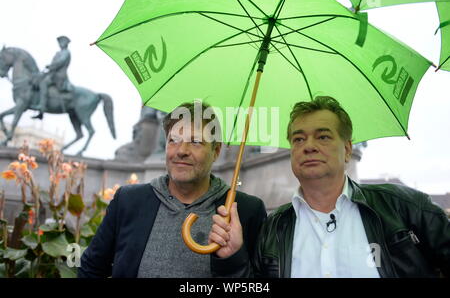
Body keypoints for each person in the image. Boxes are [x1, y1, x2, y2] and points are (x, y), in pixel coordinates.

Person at [210, 96, 450, 278]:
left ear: (347, 149)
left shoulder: (405, 208)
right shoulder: (273, 228)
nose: (309, 146)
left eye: (323, 137)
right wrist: (233, 258)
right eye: (299, 139)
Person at [78, 101, 266, 278]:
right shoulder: (129, 201)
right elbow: (91, 268)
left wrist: (234, 261)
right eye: (173, 140)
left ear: (215, 151)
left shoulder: (246, 211)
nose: (181, 150)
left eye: (195, 142)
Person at [33, 35, 71, 119]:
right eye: (59, 43)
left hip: (59, 76)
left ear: (65, 44)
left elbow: (60, 62)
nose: (60, 44)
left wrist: (51, 66)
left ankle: (42, 106)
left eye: (61, 42)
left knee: (43, 83)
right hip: (52, 73)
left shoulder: (66, 53)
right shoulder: (58, 53)